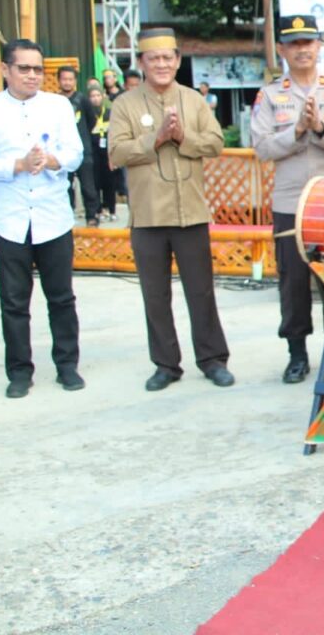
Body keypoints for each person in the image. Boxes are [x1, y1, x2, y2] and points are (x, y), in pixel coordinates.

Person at [108, 28, 232, 392]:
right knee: (155, 295)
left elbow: (215, 143)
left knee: (202, 291)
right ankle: (166, 364)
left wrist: (183, 138)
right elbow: (116, 153)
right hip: (147, 217)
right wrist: (157, 137)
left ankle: (212, 359)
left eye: (168, 58)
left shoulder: (194, 100)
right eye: (153, 59)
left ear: (177, 60)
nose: (161, 64)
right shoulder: (125, 105)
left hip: (190, 213)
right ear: (142, 63)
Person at [0, 39, 84, 398]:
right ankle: (19, 371)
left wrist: (51, 161)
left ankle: (67, 365)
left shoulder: (59, 105)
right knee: (14, 301)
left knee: (61, 297)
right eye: (24, 68)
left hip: (52, 216)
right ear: (5, 70)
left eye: (38, 69)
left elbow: (76, 153)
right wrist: (17, 164)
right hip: (10, 219)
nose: (32, 76)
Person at [252, 15, 324, 384]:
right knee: (292, 282)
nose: (302, 50)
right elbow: (261, 147)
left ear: (319, 47)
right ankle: (296, 355)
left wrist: (321, 128)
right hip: (290, 204)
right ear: (282, 49)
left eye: (309, 42)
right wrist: (295, 132)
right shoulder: (270, 96)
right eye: (294, 44)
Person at [57, 66, 99, 226]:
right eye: (64, 79)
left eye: (70, 79)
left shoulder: (83, 100)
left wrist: (82, 136)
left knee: (88, 186)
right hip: (61, 152)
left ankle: (92, 216)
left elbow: (92, 121)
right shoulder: (55, 101)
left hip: (83, 150)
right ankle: (67, 216)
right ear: (59, 80)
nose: (67, 82)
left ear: (75, 81)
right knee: (64, 186)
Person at [86, 86, 117, 221]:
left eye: (98, 95)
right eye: (92, 96)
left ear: (103, 96)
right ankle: (98, 210)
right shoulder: (88, 114)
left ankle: (111, 209)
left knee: (110, 182)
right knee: (95, 182)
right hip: (93, 151)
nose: (95, 98)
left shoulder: (110, 112)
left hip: (108, 151)